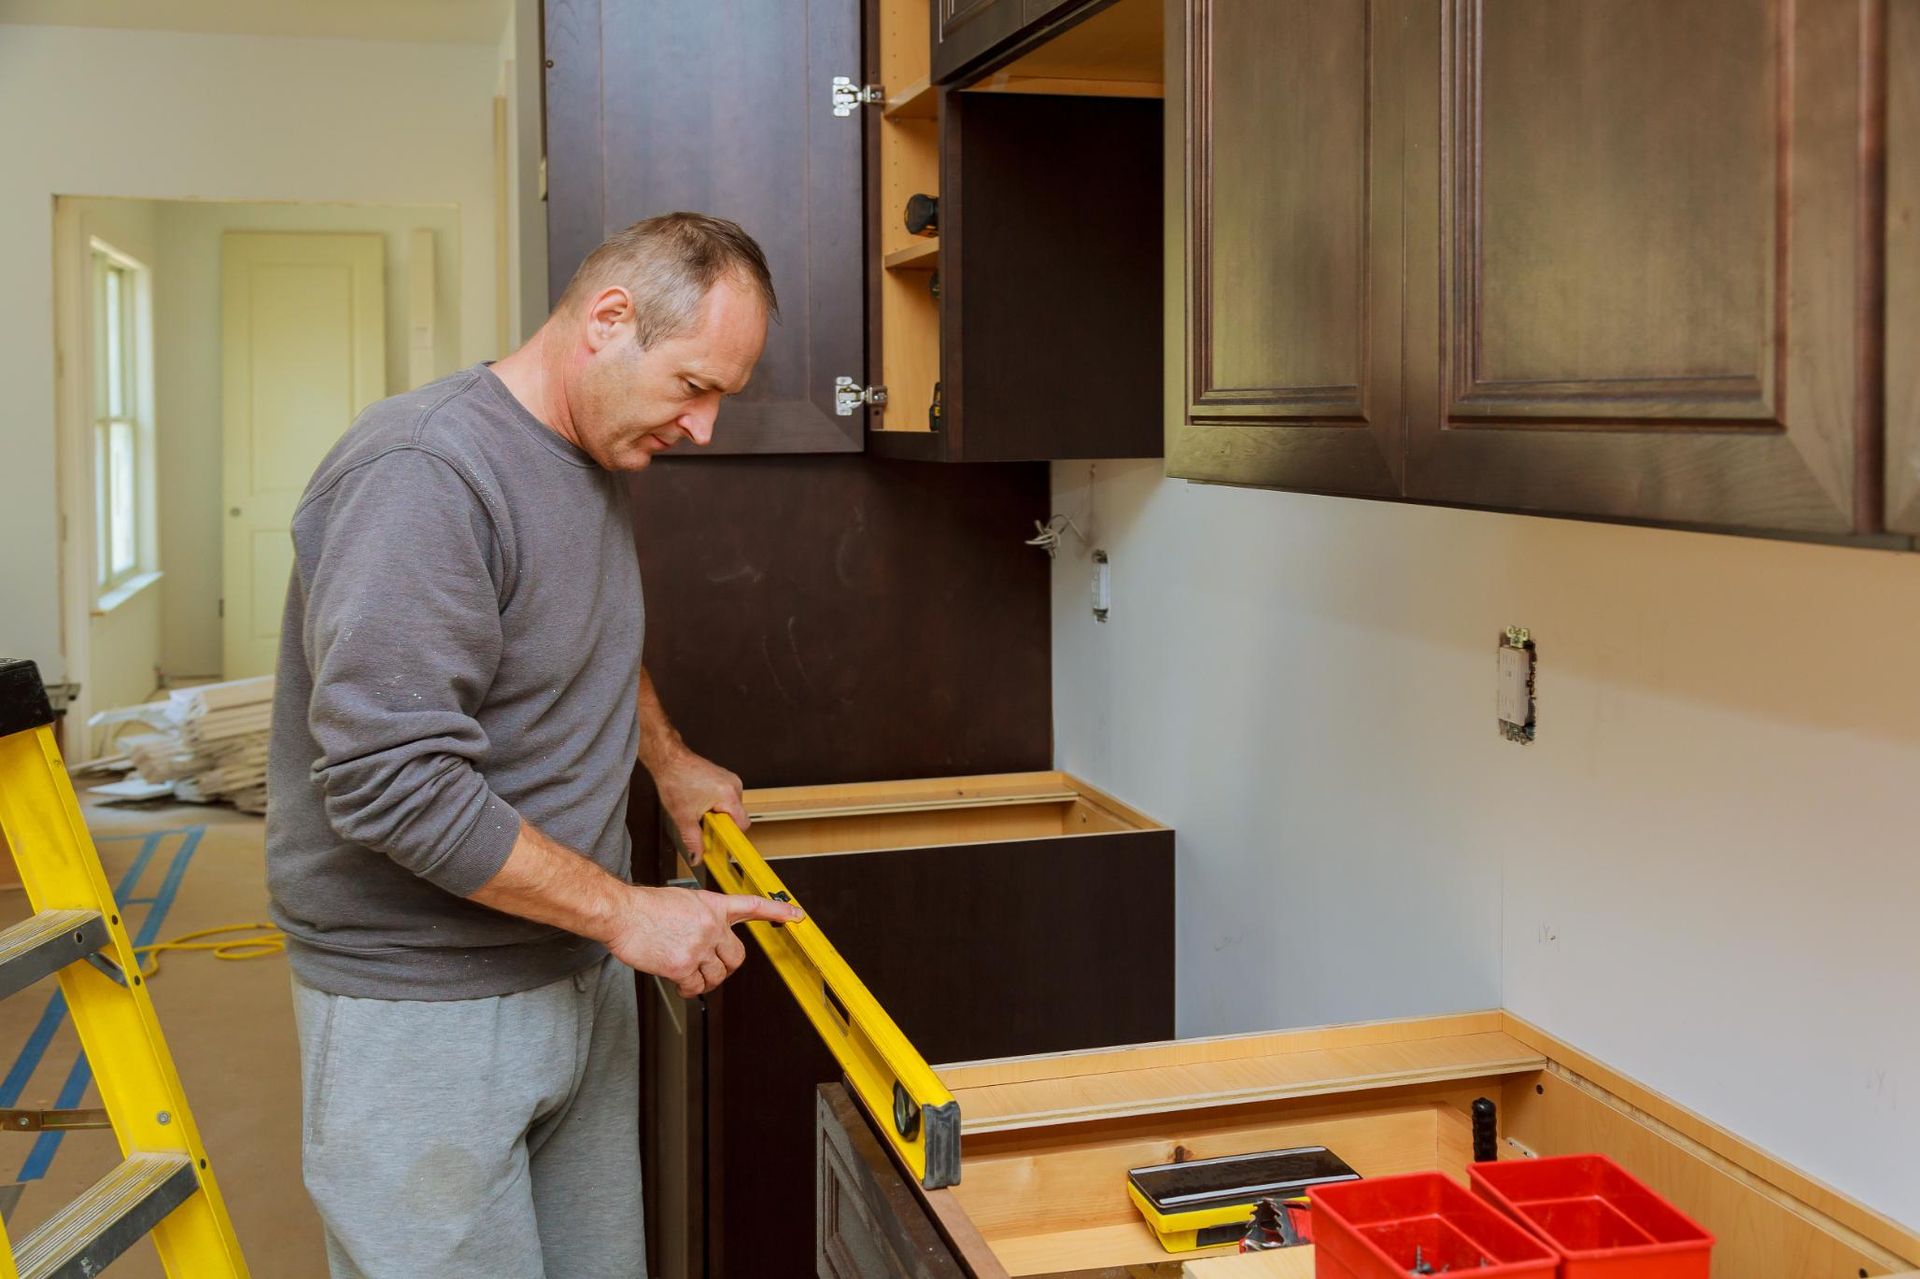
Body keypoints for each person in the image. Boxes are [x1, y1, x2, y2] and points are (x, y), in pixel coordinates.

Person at [264, 212, 801, 1279]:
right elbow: (391, 784)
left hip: (567, 967)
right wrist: (629, 911)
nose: (704, 429)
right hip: (422, 1009)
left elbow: (582, 631)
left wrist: (667, 757)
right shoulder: (424, 473)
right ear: (609, 320)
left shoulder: (584, 451)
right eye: (695, 386)